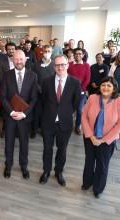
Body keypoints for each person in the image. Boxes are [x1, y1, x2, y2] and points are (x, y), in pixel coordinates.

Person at [81, 76, 120, 198]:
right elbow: (84, 117)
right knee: (89, 161)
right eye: (103, 85)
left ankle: (98, 188)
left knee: (102, 164)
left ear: (114, 88)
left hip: (107, 141)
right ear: (99, 87)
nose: (105, 88)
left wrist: (104, 140)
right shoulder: (92, 98)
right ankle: (87, 183)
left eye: (109, 86)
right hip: (90, 137)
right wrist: (91, 136)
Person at [40, 54, 81, 186]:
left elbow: (75, 103)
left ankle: (59, 172)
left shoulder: (75, 83)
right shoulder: (46, 81)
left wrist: (64, 113)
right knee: (47, 149)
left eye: (63, 64)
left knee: (62, 149)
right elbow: (43, 102)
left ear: (67, 65)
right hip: (48, 122)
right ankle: (46, 171)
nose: (60, 67)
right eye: (57, 65)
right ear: (54, 66)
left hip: (65, 123)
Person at [0, 50, 38, 179]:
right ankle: (8, 165)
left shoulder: (33, 76)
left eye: (21, 59)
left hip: (25, 118)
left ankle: (24, 166)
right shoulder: (6, 76)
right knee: (8, 143)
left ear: (25, 60)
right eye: (16, 59)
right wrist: (11, 112)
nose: (19, 62)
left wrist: (24, 114)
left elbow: (34, 99)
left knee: (24, 143)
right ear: (12, 60)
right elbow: (3, 97)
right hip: (10, 117)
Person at [67, 48, 91, 135]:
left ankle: (77, 126)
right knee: (68, 109)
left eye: (80, 54)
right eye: (76, 54)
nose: (78, 55)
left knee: (80, 110)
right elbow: (67, 77)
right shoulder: (69, 65)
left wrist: (80, 89)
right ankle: (68, 125)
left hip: (81, 92)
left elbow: (87, 79)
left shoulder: (86, 65)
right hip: (70, 92)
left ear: (83, 55)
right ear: (74, 55)